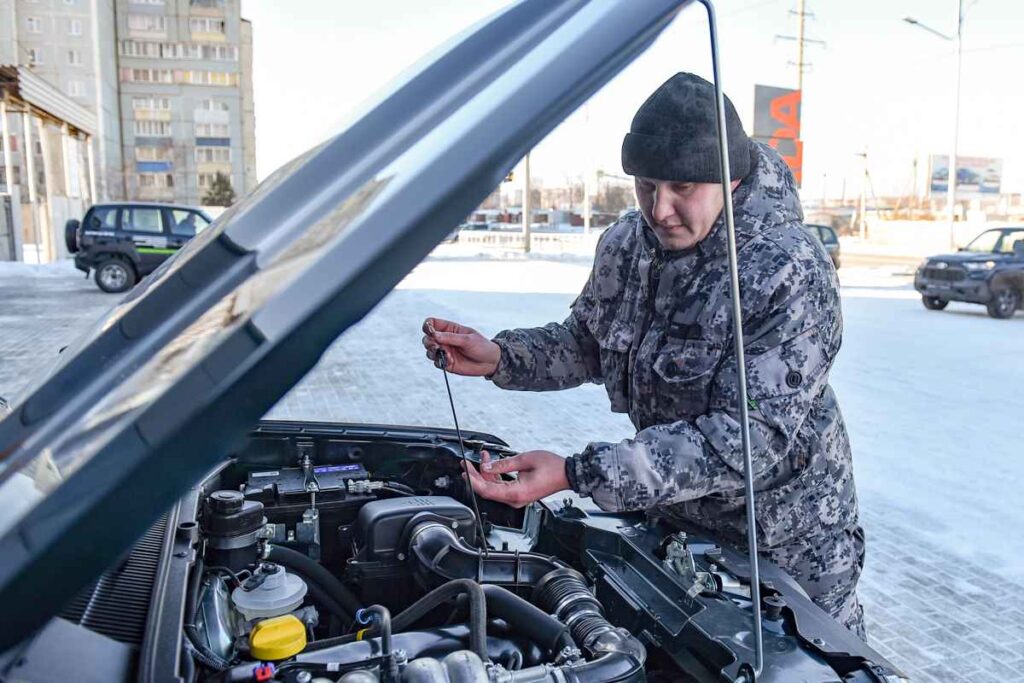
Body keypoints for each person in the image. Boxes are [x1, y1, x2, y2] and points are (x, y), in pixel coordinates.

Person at [422, 73, 865, 638]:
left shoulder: (786, 270)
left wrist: (578, 473)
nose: (660, 209)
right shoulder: (628, 245)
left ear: (730, 179)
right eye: (646, 185)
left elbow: (744, 439)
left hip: (783, 549)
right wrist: (501, 357)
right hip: (674, 527)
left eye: (683, 187)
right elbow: (587, 339)